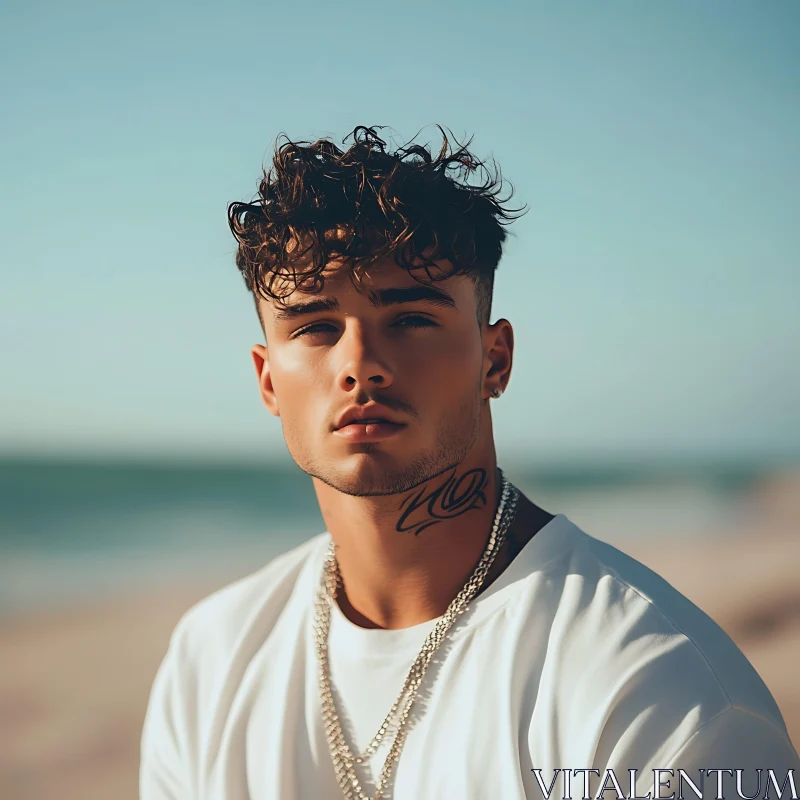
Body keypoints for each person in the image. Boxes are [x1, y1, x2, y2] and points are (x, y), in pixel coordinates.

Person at [140, 126, 799, 800]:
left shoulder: (655, 694)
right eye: (315, 326)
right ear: (268, 381)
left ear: (495, 359)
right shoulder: (212, 661)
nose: (359, 365)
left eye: (412, 319)